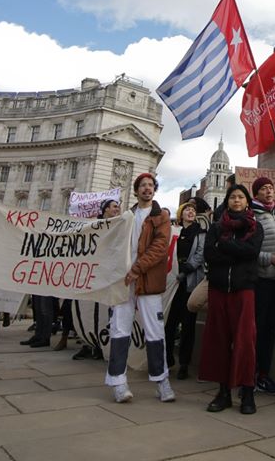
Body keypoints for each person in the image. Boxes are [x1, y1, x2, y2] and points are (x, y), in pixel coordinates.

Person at [105, 173, 174, 404]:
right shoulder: (126, 216)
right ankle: (118, 382)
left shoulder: (161, 216)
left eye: (151, 185)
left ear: (154, 190)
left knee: (155, 332)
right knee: (119, 329)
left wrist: (137, 268)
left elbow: (160, 247)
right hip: (124, 281)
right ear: (136, 190)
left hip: (147, 280)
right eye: (143, 185)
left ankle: (162, 381)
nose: (147, 188)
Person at [201, 185, 264, 414]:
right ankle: (223, 392)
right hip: (219, 289)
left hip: (243, 289)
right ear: (227, 201)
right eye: (233, 197)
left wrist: (225, 246)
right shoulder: (216, 227)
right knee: (219, 340)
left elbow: (252, 252)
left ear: (247, 202)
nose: (236, 200)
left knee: (245, 341)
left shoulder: (256, 226)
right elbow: (210, 254)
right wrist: (236, 253)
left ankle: (247, 392)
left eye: (240, 197)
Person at [249, 176, 275, 396]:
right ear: (256, 194)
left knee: (270, 330)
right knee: (258, 328)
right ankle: (250, 375)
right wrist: (268, 258)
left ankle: (263, 375)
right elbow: (247, 250)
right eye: (263, 188)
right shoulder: (252, 216)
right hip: (261, 279)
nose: (268, 191)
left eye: (271, 188)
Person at [71, 199, 121, 360]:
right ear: (105, 209)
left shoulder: (120, 226)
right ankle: (87, 343)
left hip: (108, 276)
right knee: (86, 310)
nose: (117, 209)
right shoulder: (93, 226)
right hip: (91, 275)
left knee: (104, 313)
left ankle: (101, 345)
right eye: (114, 206)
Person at [164, 201, 205, 380]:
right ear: (181, 214)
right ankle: (167, 359)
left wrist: (186, 269)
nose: (191, 211)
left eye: (193, 210)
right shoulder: (175, 232)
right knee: (169, 322)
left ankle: (184, 364)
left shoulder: (200, 233)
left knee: (188, 325)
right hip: (173, 283)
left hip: (189, 282)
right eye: (187, 209)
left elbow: (200, 254)